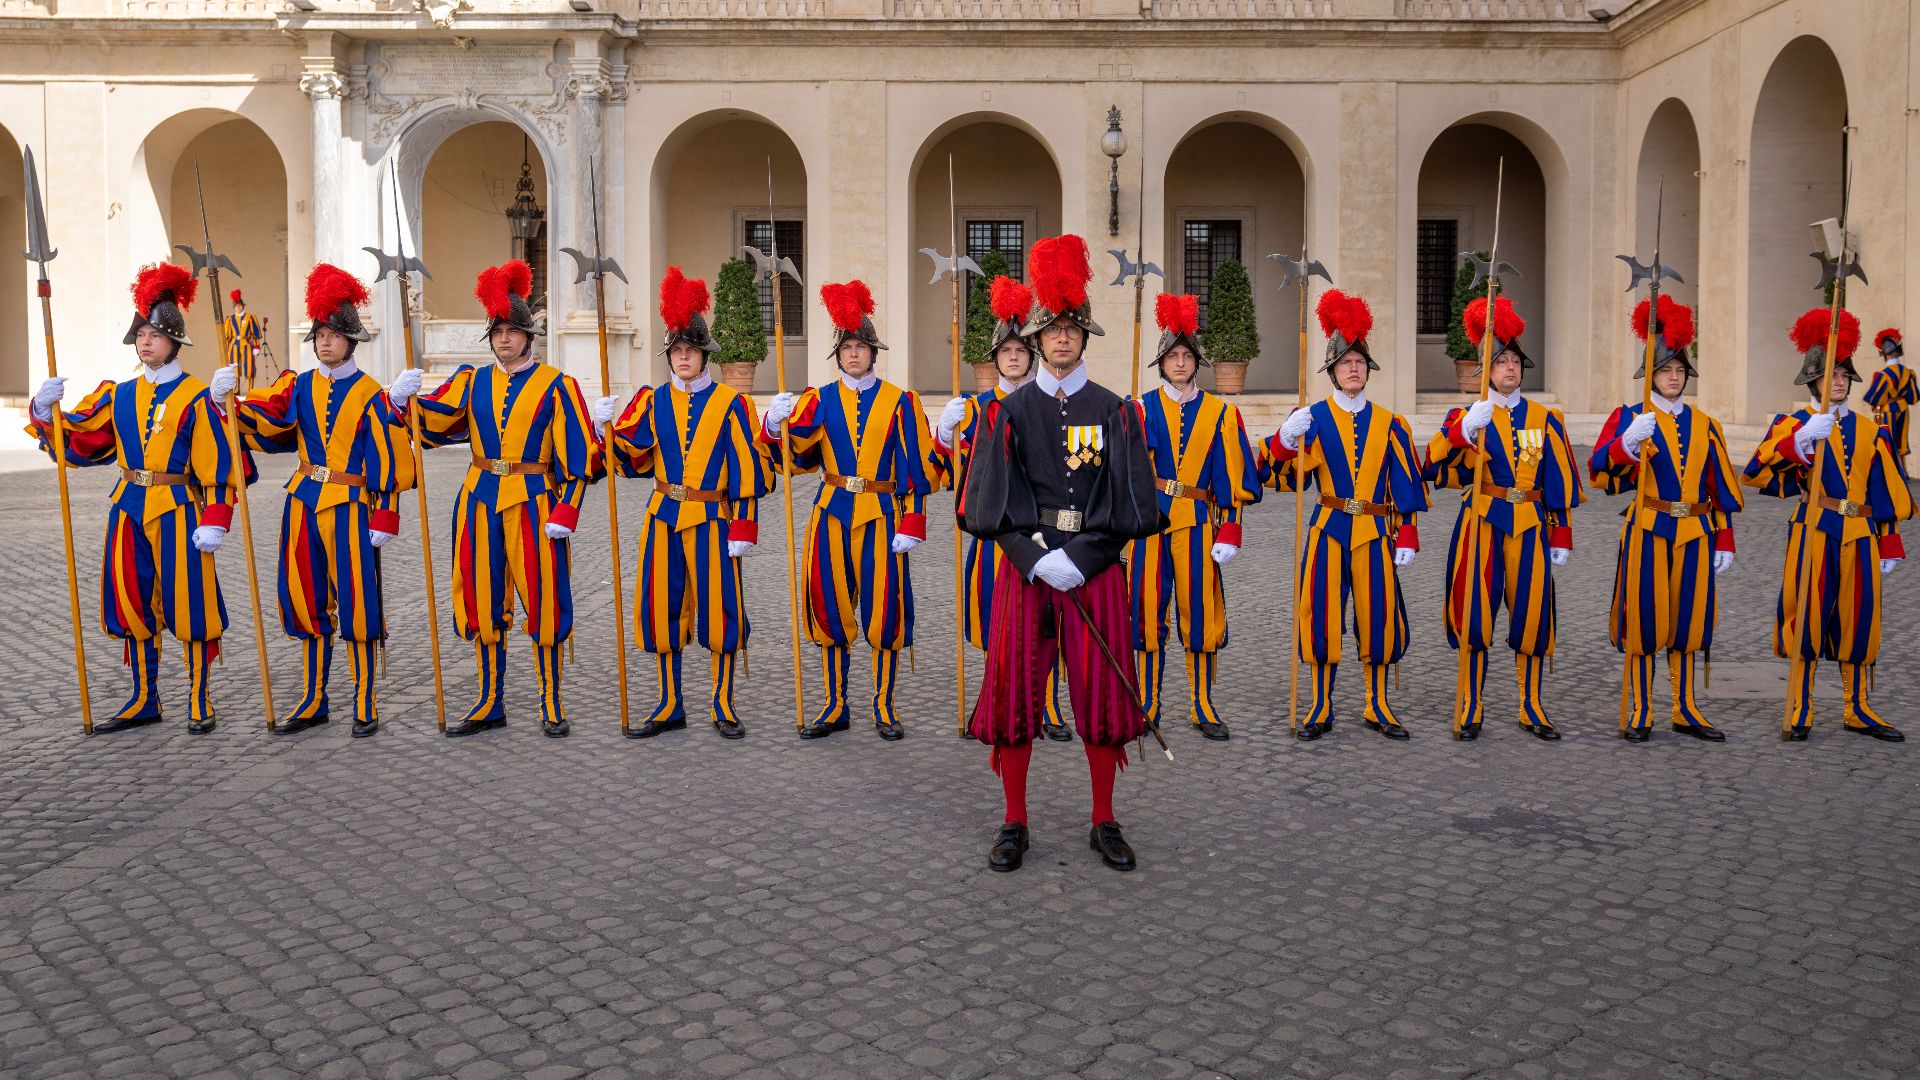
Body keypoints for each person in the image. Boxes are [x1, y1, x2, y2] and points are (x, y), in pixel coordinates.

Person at [959, 234, 1165, 872]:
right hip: (1028, 571)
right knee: (1015, 690)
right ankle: (1014, 820)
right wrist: (1030, 553)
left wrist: (1086, 555)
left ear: (1083, 336)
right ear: (1036, 337)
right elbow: (986, 501)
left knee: (1103, 691)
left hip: (1093, 569)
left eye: (1073, 329)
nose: (1062, 339)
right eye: (1052, 329)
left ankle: (1104, 817)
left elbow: (1131, 499)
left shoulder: (1115, 410)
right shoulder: (1008, 410)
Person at [26, 262, 249, 734]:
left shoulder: (197, 395)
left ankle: (198, 695)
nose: (145, 342)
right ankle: (145, 697)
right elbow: (83, 440)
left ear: (174, 340)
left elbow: (219, 463)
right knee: (131, 602)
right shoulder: (119, 394)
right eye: (140, 334)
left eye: (154, 334)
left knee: (190, 604)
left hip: (179, 510)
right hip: (128, 507)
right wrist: (45, 412)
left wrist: (216, 516)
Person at [216, 264, 420, 737]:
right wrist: (226, 400)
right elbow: (268, 419)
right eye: (320, 335)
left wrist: (386, 511)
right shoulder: (299, 384)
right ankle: (314, 697)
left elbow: (388, 453)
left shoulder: (373, 393)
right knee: (305, 596)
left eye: (333, 335)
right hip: (304, 497)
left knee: (358, 599)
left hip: (352, 502)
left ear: (351, 339)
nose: (325, 342)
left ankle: (365, 696)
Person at [404, 260, 600, 738]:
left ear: (529, 336)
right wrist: (402, 399)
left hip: (535, 501)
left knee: (544, 599)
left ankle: (550, 700)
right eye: (498, 331)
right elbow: (432, 422)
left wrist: (567, 507)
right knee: (481, 600)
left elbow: (580, 456)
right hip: (478, 500)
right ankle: (490, 699)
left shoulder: (558, 385)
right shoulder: (471, 382)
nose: (505, 339)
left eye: (513, 331)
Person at [593, 267, 770, 740]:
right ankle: (670, 702)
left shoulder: (732, 403)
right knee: (660, 608)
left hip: (714, 518)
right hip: (662, 517)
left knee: (720, 609)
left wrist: (744, 528)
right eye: (676, 350)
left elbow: (750, 470)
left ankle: (722, 702)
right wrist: (603, 427)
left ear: (704, 354)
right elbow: (629, 457)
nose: (683, 357)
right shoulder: (652, 401)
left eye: (690, 349)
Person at [761, 280, 940, 741]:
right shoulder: (818, 399)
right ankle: (835, 702)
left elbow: (916, 465)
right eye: (847, 347)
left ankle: (884, 704)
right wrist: (776, 424)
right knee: (829, 606)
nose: (854, 354)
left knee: (885, 609)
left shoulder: (902, 401)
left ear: (873, 353)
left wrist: (915, 519)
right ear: (837, 354)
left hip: (884, 512)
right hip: (831, 510)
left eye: (861, 346)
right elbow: (796, 459)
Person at [1263, 290, 1427, 741]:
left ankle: (1378, 703)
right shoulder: (1311, 417)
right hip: (1328, 527)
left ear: (1367, 370)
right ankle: (1320, 703)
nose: (1353, 369)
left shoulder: (1392, 422)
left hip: (1375, 529)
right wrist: (1283, 438)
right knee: (1321, 615)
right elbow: (1278, 474)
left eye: (1359, 362)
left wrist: (1407, 533)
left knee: (1378, 616)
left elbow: (1406, 483)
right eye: (1345, 362)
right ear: (1333, 371)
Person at [1742, 306, 1912, 742]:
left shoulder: (1872, 431)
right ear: (1812, 380)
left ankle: (1858, 707)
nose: (1838, 381)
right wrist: (1798, 443)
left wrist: (1889, 542)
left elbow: (1885, 492)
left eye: (1843, 374)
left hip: (1859, 533)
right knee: (1808, 613)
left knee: (1859, 619)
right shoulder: (1793, 424)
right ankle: (1801, 702)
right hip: (1814, 525)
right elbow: (1756, 472)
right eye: (1831, 374)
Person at [1424, 296, 1582, 741]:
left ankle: (1531, 705)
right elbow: (1435, 465)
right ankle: (1470, 704)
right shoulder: (1468, 414)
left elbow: (1557, 478)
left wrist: (1562, 532)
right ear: (1485, 370)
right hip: (1482, 520)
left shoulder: (1543, 417)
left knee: (1532, 616)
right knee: (1475, 614)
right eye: (1501, 362)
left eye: (1515, 361)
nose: (1510, 368)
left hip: (1530, 524)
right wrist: (1463, 430)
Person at [1587, 295, 1741, 741]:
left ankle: (1686, 707)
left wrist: (1725, 538)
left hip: (1695, 530)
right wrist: (1628, 444)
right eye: (1665, 371)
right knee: (1645, 619)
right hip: (1649, 528)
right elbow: (1599, 469)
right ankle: (1641, 708)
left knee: (1689, 621)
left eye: (1679, 371)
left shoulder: (1704, 422)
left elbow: (1721, 486)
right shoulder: (1631, 416)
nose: (1673, 378)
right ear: (1650, 375)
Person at [932, 274, 1070, 742]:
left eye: (1020, 351)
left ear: (1031, 355)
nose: (1013, 357)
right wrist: (942, 434)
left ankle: (1048, 704)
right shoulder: (973, 409)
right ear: (995, 360)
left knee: (1045, 622)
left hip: (1041, 535)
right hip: (995, 536)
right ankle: (994, 699)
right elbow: (943, 472)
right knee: (996, 624)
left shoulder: (1055, 403)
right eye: (1005, 352)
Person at [1127, 293, 1261, 740]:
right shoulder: (1141, 406)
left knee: (1200, 614)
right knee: (1147, 612)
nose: (1180, 363)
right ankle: (1147, 702)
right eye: (1172, 356)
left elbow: (1233, 472)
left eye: (1186, 356)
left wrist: (1232, 527)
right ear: (1161, 362)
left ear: (1196, 361)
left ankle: (1202, 703)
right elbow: (1124, 473)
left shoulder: (1222, 411)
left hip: (1200, 523)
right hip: (1149, 524)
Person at [1863, 328, 1914, 479]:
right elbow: (1913, 397)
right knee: (1901, 440)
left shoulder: (1883, 375)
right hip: (1903, 408)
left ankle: (1893, 472)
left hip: (1888, 410)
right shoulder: (1909, 373)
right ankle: (1904, 471)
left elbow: (1874, 398)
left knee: (1888, 439)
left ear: (1884, 354)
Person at [222, 288, 268, 384]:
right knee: (234, 367)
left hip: (247, 344)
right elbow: (227, 336)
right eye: (236, 306)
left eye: (240, 305)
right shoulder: (230, 319)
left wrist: (256, 346)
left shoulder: (250, 317)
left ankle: (250, 388)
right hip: (234, 345)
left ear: (242, 306)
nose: (238, 307)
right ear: (234, 307)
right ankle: (236, 389)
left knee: (249, 366)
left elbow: (255, 333)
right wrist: (226, 348)